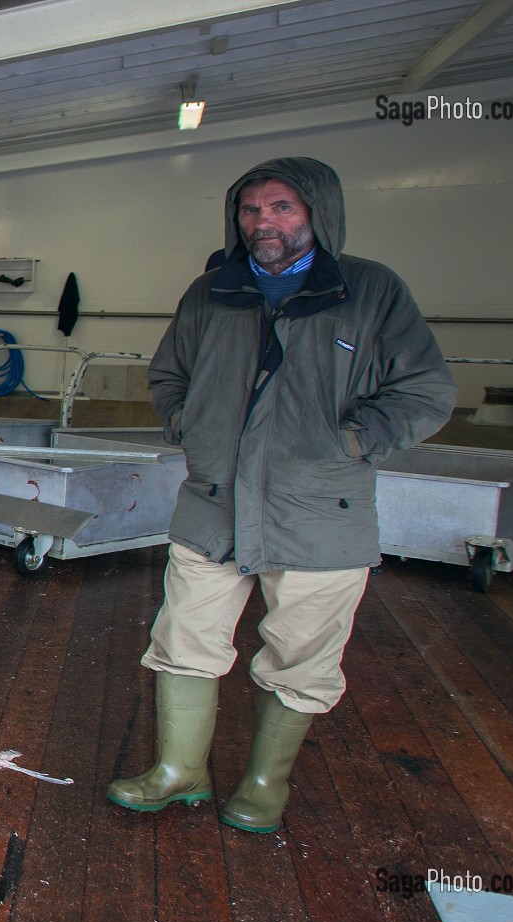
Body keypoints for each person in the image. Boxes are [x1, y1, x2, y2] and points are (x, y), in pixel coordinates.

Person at [108, 156, 455, 833]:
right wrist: (191, 426)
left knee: (302, 654)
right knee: (183, 638)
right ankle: (180, 771)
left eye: (282, 208)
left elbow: (427, 390)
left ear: (317, 213)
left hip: (321, 510)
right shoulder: (213, 290)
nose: (263, 220)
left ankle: (266, 782)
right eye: (251, 209)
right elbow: (168, 374)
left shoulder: (372, 290)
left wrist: (351, 442)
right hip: (214, 501)